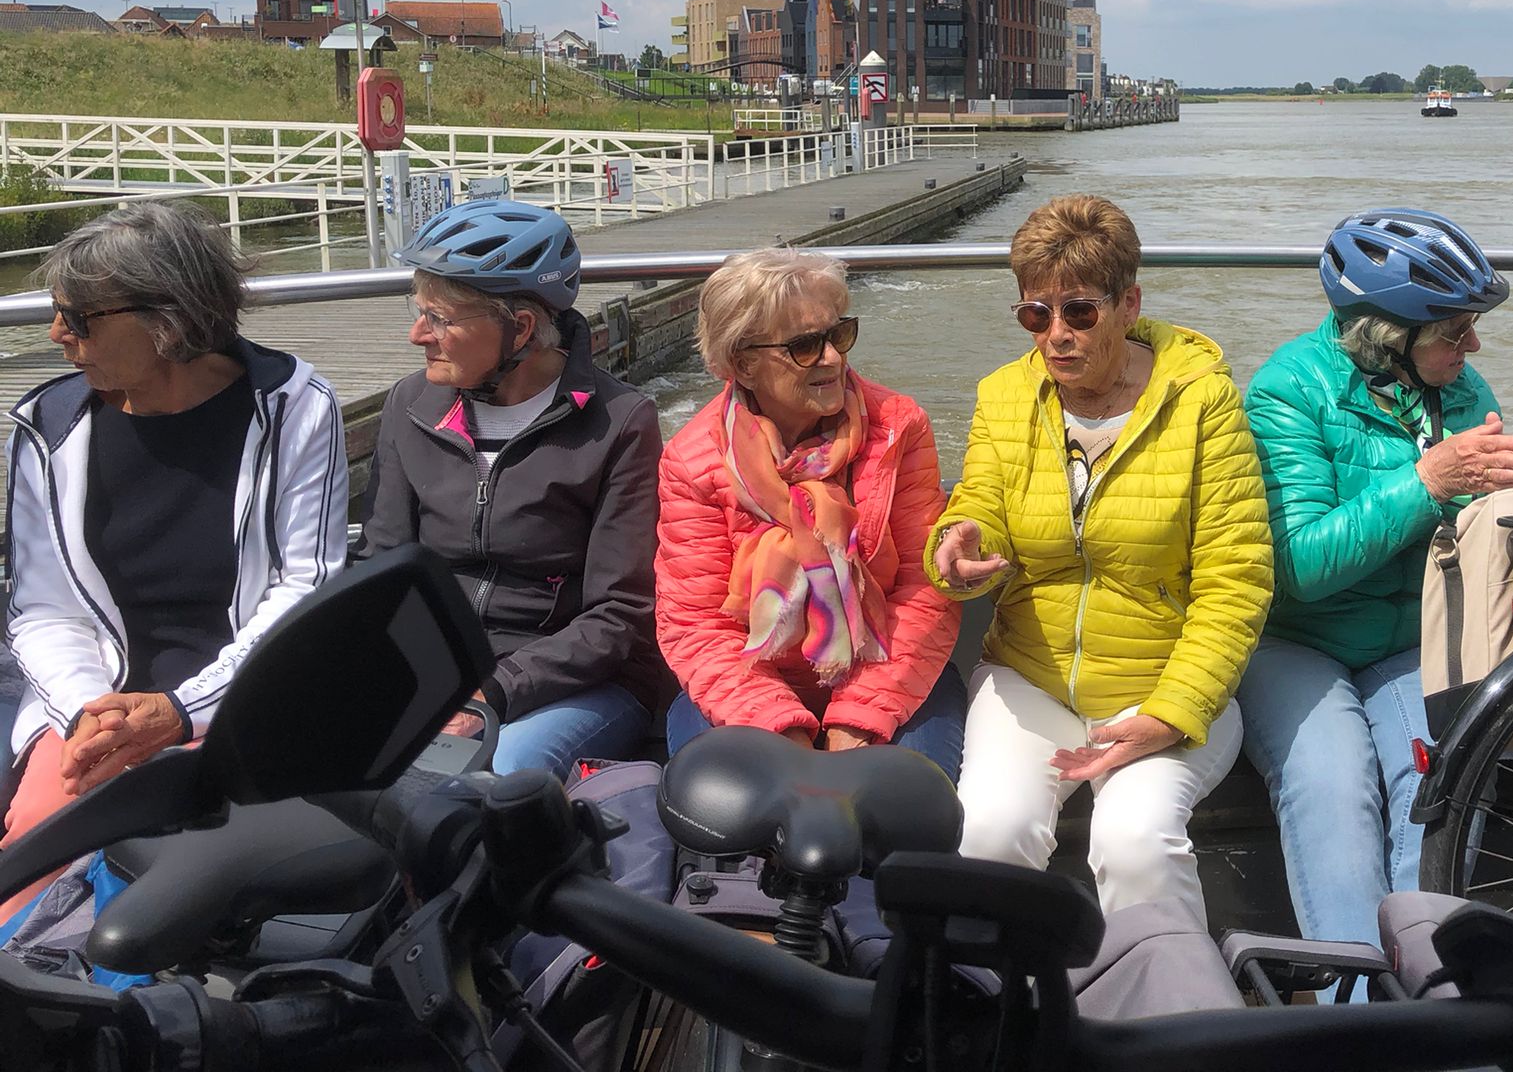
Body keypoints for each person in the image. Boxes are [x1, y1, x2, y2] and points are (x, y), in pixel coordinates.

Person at [927, 194, 1272, 925]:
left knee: (1136, 840)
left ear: (1128, 304)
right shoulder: (1005, 396)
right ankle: (1002, 1016)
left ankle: (1159, 1018)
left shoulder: (1204, 404)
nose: (1055, 337)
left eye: (1079, 312)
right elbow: (983, 497)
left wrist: (1172, 713)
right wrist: (961, 540)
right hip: (1033, 676)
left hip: (1159, 685)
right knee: (990, 830)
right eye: (1035, 315)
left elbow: (1235, 579)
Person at [4, 202, 347, 916]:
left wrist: (178, 713)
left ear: (169, 319)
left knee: (187, 901)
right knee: (29, 867)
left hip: (241, 707)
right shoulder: (47, 428)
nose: (57, 333)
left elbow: (305, 591)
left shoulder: (295, 409)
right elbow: (42, 609)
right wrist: (87, 717)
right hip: (90, 713)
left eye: (80, 316)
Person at [1237, 209, 1513, 950]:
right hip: (1297, 640)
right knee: (1332, 789)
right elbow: (1301, 566)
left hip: (1412, 635)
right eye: (1452, 331)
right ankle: (1355, 1011)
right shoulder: (1288, 389)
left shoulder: (1463, 389)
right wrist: (1427, 481)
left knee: (1440, 780)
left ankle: (1425, 982)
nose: (1471, 345)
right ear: (1383, 334)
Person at [358, 199, 665, 777]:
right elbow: (382, 566)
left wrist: (492, 693)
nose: (416, 334)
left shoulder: (620, 423)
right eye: (418, 310)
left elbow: (621, 612)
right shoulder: (411, 404)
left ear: (519, 329)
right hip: (436, 670)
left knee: (503, 774)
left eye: (441, 319)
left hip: (576, 680)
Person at [655, 249, 966, 776]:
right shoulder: (691, 459)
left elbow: (924, 586)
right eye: (804, 346)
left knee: (900, 803)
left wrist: (858, 718)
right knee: (738, 805)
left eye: (838, 335)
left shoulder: (898, 427)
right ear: (741, 364)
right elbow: (695, 622)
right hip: (746, 689)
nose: (831, 358)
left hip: (890, 674)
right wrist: (785, 729)